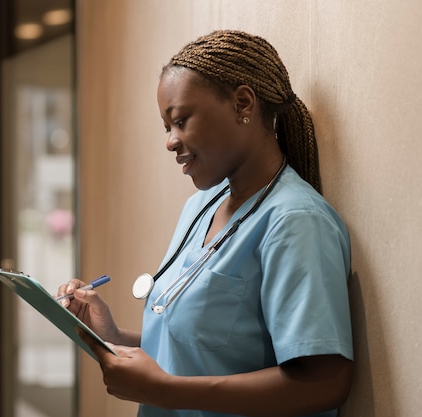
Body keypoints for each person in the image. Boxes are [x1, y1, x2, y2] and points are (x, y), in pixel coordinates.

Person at [57, 30, 353, 417]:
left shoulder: (295, 222)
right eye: (167, 127)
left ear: (242, 104)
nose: (170, 141)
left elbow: (324, 381)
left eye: (180, 121)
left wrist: (164, 390)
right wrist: (112, 336)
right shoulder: (202, 206)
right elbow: (200, 352)